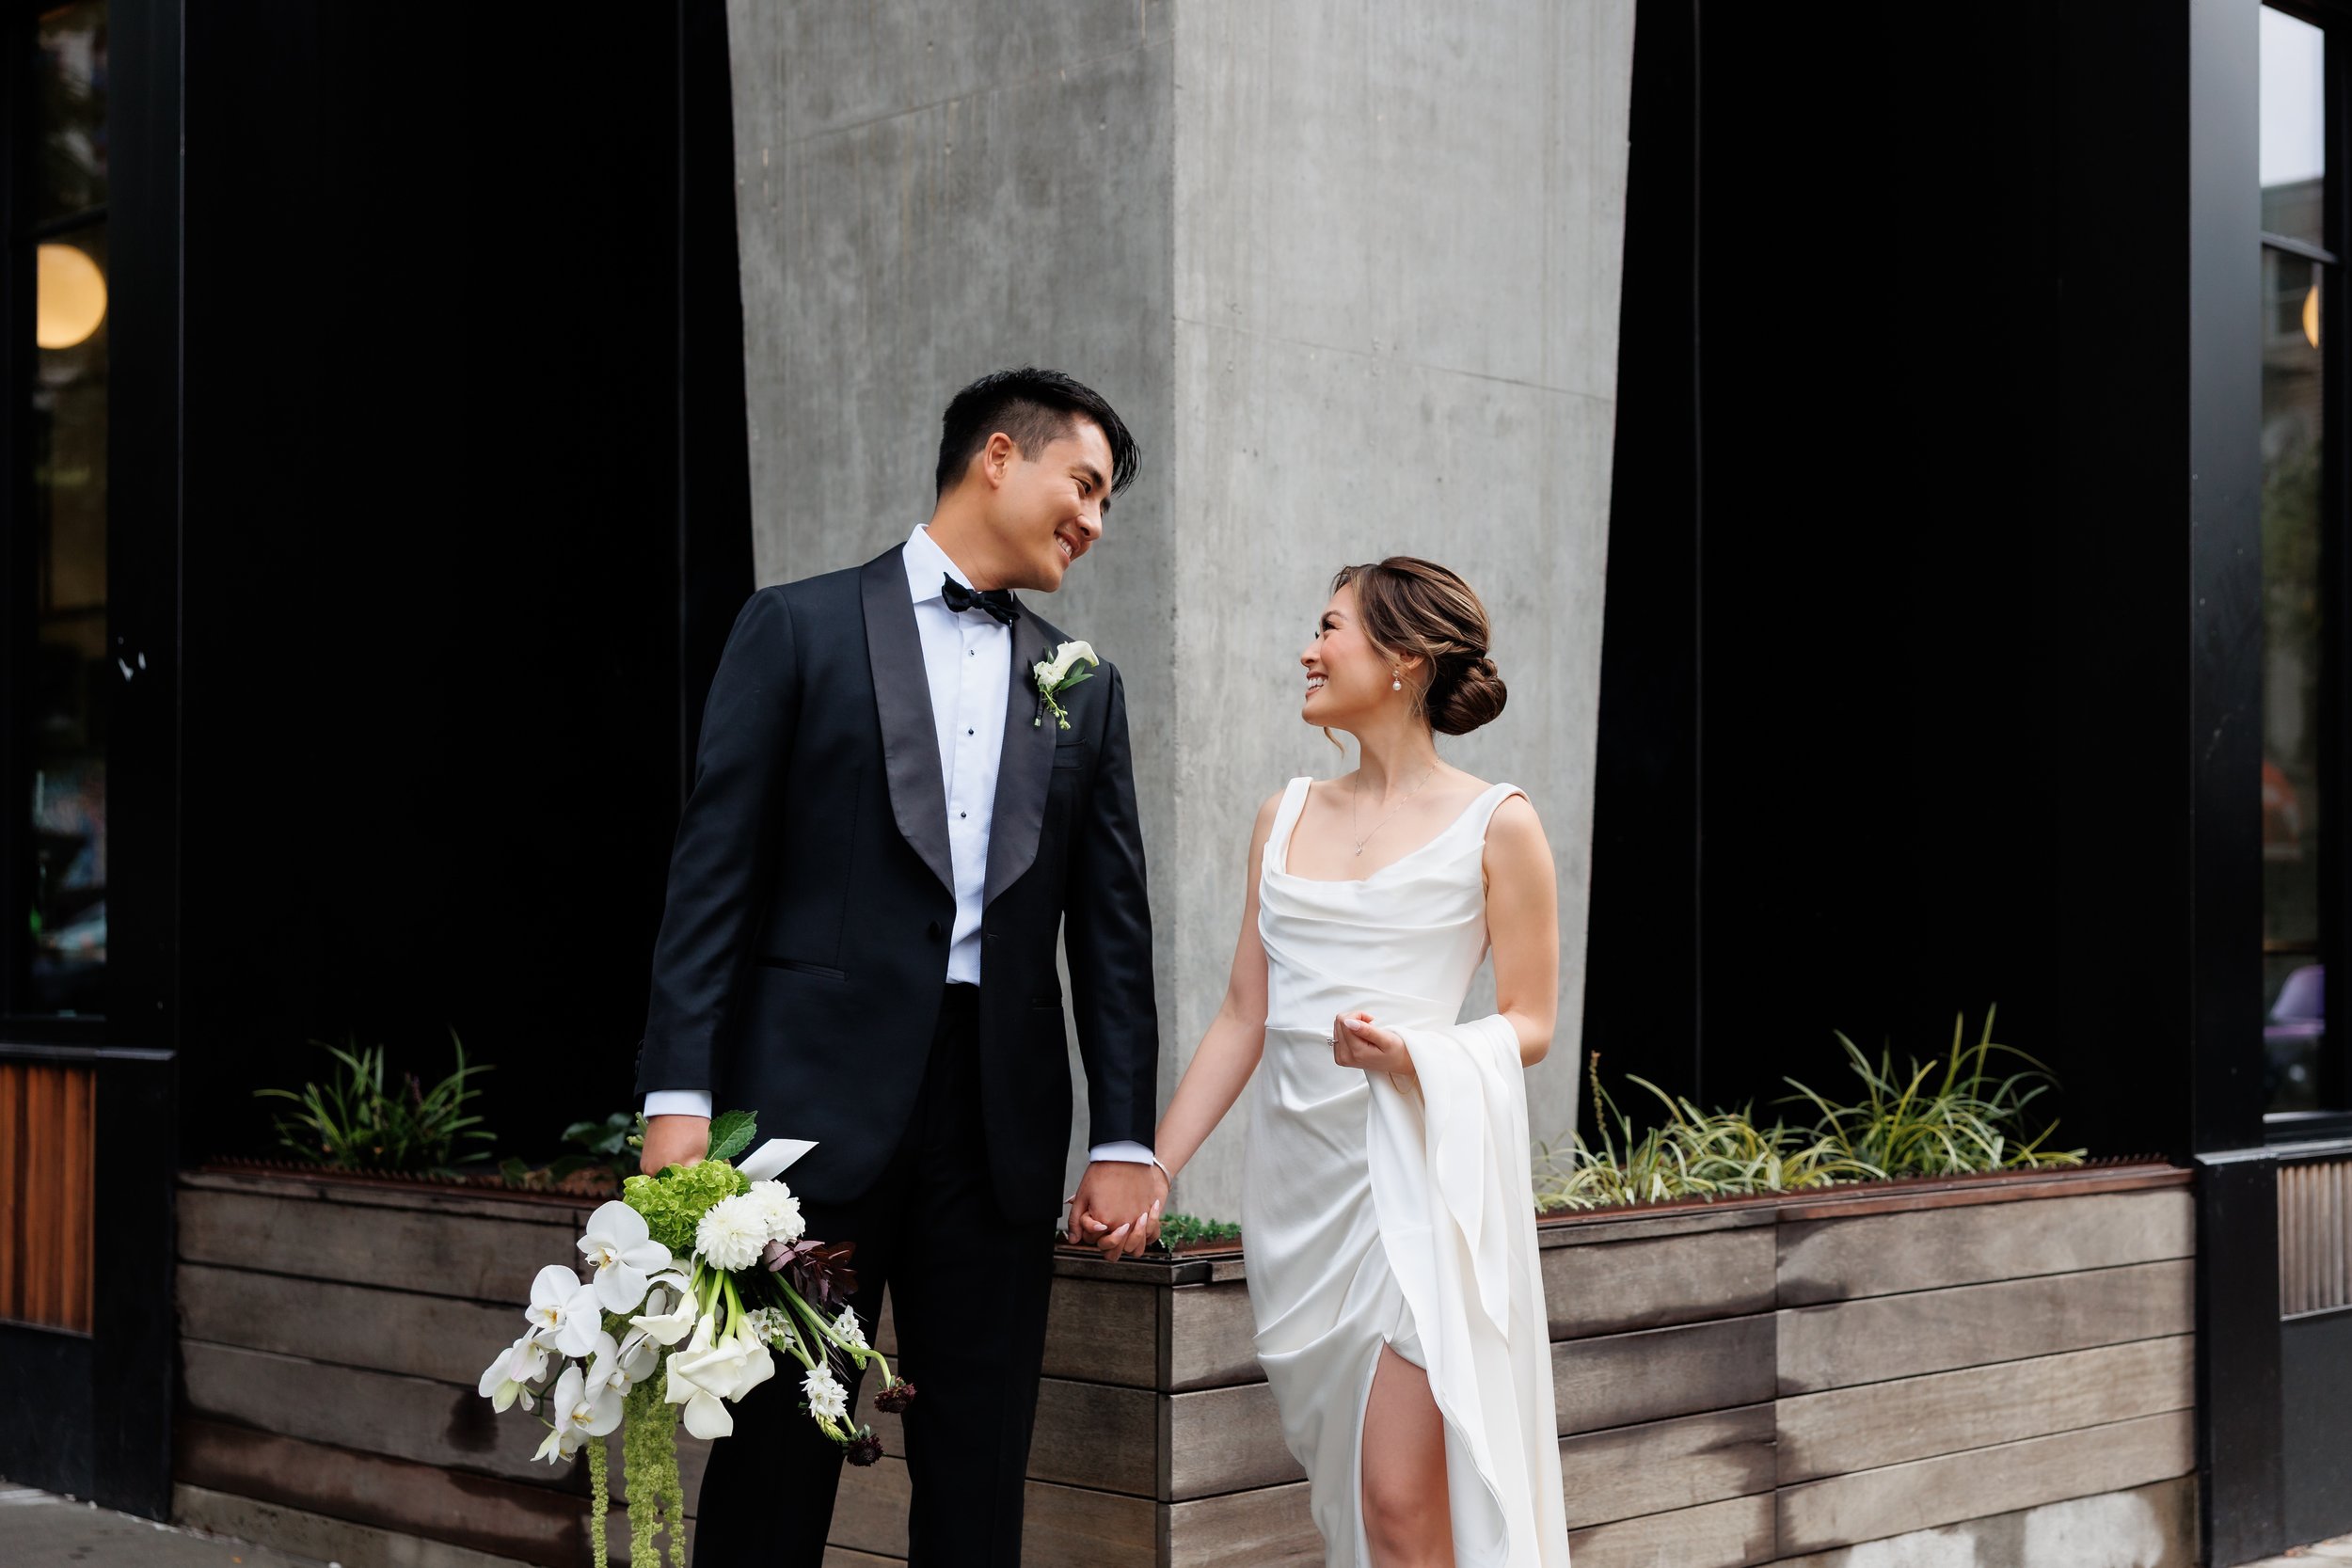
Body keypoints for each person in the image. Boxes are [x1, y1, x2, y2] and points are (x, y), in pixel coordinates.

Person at [631, 368, 1168, 1566]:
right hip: (810, 1119)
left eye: (1105, 503)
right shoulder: (795, 626)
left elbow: (1113, 932)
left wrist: (1125, 1137)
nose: (1093, 521)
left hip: (998, 1126)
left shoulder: (1081, 685)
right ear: (996, 456)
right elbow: (711, 880)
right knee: (775, 1454)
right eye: (1082, 484)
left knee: (979, 1468)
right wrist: (677, 1095)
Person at [1149, 558, 1570, 1567]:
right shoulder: (1281, 813)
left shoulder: (1497, 820)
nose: (1307, 647)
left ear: (1403, 661)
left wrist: (1420, 1051)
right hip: (1299, 1198)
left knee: (1397, 1501)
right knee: (1352, 1505)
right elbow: (1244, 1013)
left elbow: (1531, 1019)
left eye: (1329, 627)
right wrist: (1154, 1165)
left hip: (1416, 1190)